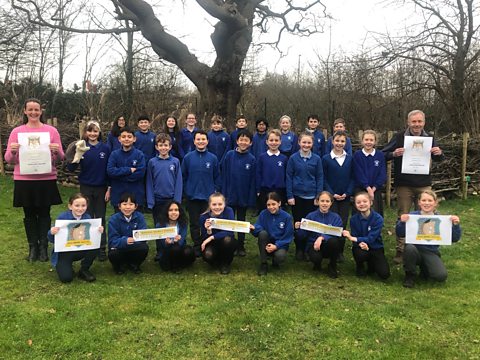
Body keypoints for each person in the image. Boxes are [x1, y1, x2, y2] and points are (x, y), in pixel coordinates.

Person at [5, 98, 64, 262]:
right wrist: (13, 151)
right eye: (30, 109)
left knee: (45, 214)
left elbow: (61, 157)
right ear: (25, 111)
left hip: (46, 178)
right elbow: (8, 159)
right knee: (29, 214)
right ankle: (33, 247)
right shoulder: (17, 132)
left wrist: (57, 151)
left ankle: (44, 247)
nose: (33, 112)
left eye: (36, 109)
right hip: (24, 180)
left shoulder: (51, 131)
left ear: (41, 111)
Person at [382, 110, 444, 264]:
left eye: (419, 121)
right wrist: (394, 154)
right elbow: (383, 154)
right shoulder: (399, 137)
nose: (417, 124)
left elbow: (439, 158)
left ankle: (425, 250)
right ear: (408, 122)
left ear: (424, 122)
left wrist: (438, 152)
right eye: (414, 122)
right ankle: (401, 250)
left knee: (426, 217)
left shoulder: (429, 137)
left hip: (424, 184)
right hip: (404, 185)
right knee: (403, 216)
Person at [396, 190, 461, 288]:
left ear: (435, 203)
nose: (426, 203)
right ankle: (410, 275)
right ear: (419, 202)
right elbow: (400, 233)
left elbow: (455, 238)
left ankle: (425, 269)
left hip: (431, 251)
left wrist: (456, 226)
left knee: (440, 276)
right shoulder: (412, 216)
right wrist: (402, 223)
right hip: (414, 249)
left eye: (430, 200)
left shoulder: (441, 219)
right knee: (409, 248)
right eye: (424, 200)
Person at [66, 120, 111, 261]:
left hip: (101, 188)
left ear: (99, 133)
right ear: (85, 132)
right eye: (90, 131)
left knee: (100, 218)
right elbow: (71, 168)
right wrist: (77, 155)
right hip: (86, 187)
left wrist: (109, 188)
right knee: (86, 217)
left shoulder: (106, 148)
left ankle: (101, 248)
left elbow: (109, 170)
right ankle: (87, 245)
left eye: (95, 131)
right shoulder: (81, 147)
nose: (92, 134)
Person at [48, 193, 103, 283]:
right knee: (66, 278)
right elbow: (51, 239)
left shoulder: (87, 217)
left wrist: (98, 231)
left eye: (83, 205)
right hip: (64, 252)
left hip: (81, 249)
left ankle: (84, 269)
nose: (80, 208)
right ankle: (67, 266)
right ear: (70, 206)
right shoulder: (62, 218)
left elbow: (91, 237)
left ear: (87, 206)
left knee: (95, 246)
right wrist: (52, 232)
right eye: (77, 205)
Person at [181, 130, 219, 256]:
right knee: (194, 223)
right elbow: (183, 176)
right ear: (194, 141)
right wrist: (187, 191)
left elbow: (217, 177)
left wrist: (215, 192)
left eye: (203, 139)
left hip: (208, 198)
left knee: (208, 222)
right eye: (198, 139)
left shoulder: (213, 158)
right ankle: (197, 246)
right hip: (193, 197)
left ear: (207, 141)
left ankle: (207, 244)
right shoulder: (188, 158)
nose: (201, 141)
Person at [287, 132, 324, 260]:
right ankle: (299, 249)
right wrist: (290, 195)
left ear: (312, 144)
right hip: (297, 197)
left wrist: (318, 196)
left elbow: (319, 177)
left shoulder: (317, 159)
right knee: (298, 224)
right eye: (304, 142)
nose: (306, 145)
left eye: (309, 143)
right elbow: (289, 177)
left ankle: (309, 249)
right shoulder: (293, 158)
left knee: (310, 224)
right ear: (299, 143)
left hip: (311, 197)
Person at [146, 133, 182, 260]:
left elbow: (179, 181)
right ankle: (160, 251)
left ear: (170, 147)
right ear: (156, 147)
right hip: (158, 200)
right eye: (160, 145)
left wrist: (177, 201)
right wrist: (151, 201)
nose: (163, 148)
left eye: (165, 145)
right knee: (159, 226)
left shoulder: (175, 162)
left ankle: (173, 248)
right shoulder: (152, 162)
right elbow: (149, 182)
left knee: (171, 225)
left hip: (171, 200)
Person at [220, 129, 256, 256]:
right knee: (229, 220)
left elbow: (253, 180)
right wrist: (223, 194)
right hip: (229, 195)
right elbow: (223, 175)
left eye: (246, 140)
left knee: (241, 222)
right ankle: (229, 244)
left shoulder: (251, 159)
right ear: (237, 141)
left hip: (243, 196)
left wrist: (250, 198)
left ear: (250, 143)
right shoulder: (229, 155)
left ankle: (241, 245)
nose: (243, 142)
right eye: (241, 140)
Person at [343, 192, 390, 280]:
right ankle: (360, 266)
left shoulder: (378, 218)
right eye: (358, 202)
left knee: (384, 274)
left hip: (375, 247)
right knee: (360, 254)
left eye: (365, 201)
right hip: (360, 246)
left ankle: (371, 264)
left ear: (370, 203)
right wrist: (360, 243)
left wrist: (353, 238)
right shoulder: (353, 219)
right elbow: (355, 235)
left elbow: (371, 238)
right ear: (355, 205)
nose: (362, 204)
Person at [322, 130, 354, 262]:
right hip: (331, 198)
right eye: (337, 141)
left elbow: (353, 178)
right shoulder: (326, 159)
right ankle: (330, 250)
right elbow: (324, 178)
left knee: (343, 223)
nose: (339, 143)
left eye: (342, 141)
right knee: (331, 224)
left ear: (345, 143)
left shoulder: (350, 159)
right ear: (332, 142)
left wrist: (347, 192)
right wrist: (331, 194)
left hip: (345, 198)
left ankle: (340, 251)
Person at [295, 192, 343, 278]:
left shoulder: (336, 217)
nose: (325, 203)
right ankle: (317, 264)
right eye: (322, 201)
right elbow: (302, 236)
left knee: (335, 241)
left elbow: (338, 234)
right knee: (316, 258)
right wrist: (299, 228)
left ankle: (332, 265)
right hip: (314, 246)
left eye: (327, 201)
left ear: (331, 203)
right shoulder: (311, 216)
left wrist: (322, 237)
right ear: (317, 202)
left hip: (329, 245)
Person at [252, 192, 294, 276]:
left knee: (280, 256)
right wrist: (254, 228)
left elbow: (288, 236)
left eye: (273, 204)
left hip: (280, 245)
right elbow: (258, 228)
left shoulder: (287, 217)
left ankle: (275, 261)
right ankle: (264, 264)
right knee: (262, 234)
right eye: (268, 205)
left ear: (279, 203)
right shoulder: (263, 214)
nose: (271, 207)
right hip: (267, 243)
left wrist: (276, 246)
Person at [108, 192, 149, 274]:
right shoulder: (113, 219)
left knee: (144, 247)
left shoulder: (140, 217)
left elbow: (144, 235)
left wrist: (135, 240)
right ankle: (118, 267)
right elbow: (112, 241)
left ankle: (134, 264)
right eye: (124, 204)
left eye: (131, 204)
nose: (127, 207)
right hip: (120, 248)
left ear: (135, 206)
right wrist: (125, 240)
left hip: (134, 246)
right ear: (119, 206)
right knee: (113, 253)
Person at [107, 127, 146, 211]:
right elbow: (110, 171)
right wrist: (128, 170)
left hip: (136, 195)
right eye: (123, 137)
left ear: (134, 139)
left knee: (136, 221)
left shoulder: (139, 155)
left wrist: (119, 176)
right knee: (118, 221)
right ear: (119, 139)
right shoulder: (114, 154)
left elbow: (140, 174)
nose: (126, 139)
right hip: (118, 195)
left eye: (129, 136)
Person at [199, 193, 237, 274]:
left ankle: (225, 263)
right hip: (212, 245)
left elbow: (230, 231)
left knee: (227, 239)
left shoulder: (229, 211)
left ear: (224, 204)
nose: (217, 207)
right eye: (214, 204)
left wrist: (212, 237)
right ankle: (216, 262)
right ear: (209, 205)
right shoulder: (203, 217)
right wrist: (208, 230)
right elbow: (204, 238)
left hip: (226, 242)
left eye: (220, 204)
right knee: (208, 255)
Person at [353, 130, 386, 217]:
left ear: (375, 141)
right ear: (362, 141)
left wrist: (373, 189)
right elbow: (358, 173)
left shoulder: (380, 155)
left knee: (375, 214)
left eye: (371, 140)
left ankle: (375, 229)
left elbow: (382, 174)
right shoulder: (357, 155)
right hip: (361, 189)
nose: (369, 142)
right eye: (366, 139)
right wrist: (368, 188)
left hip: (376, 189)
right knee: (359, 214)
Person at [155, 200, 195, 272]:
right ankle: (174, 266)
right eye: (170, 210)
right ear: (167, 212)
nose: (174, 212)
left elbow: (181, 242)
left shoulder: (183, 224)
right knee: (174, 248)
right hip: (166, 252)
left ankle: (178, 264)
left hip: (179, 249)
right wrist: (167, 242)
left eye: (176, 210)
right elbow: (162, 245)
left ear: (179, 212)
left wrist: (176, 241)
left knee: (189, 251)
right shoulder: (159, 225)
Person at [256, 129, 288, 210]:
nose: (274, 142)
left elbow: (286, 176)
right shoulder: (262, 157)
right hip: (265, 190)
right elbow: (258, 174)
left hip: (280, 190)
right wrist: (258, 190)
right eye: (271, 140)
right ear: (267, 142)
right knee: (265, 213)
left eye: (276, 140)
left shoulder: (284, 158)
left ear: (280, 142)